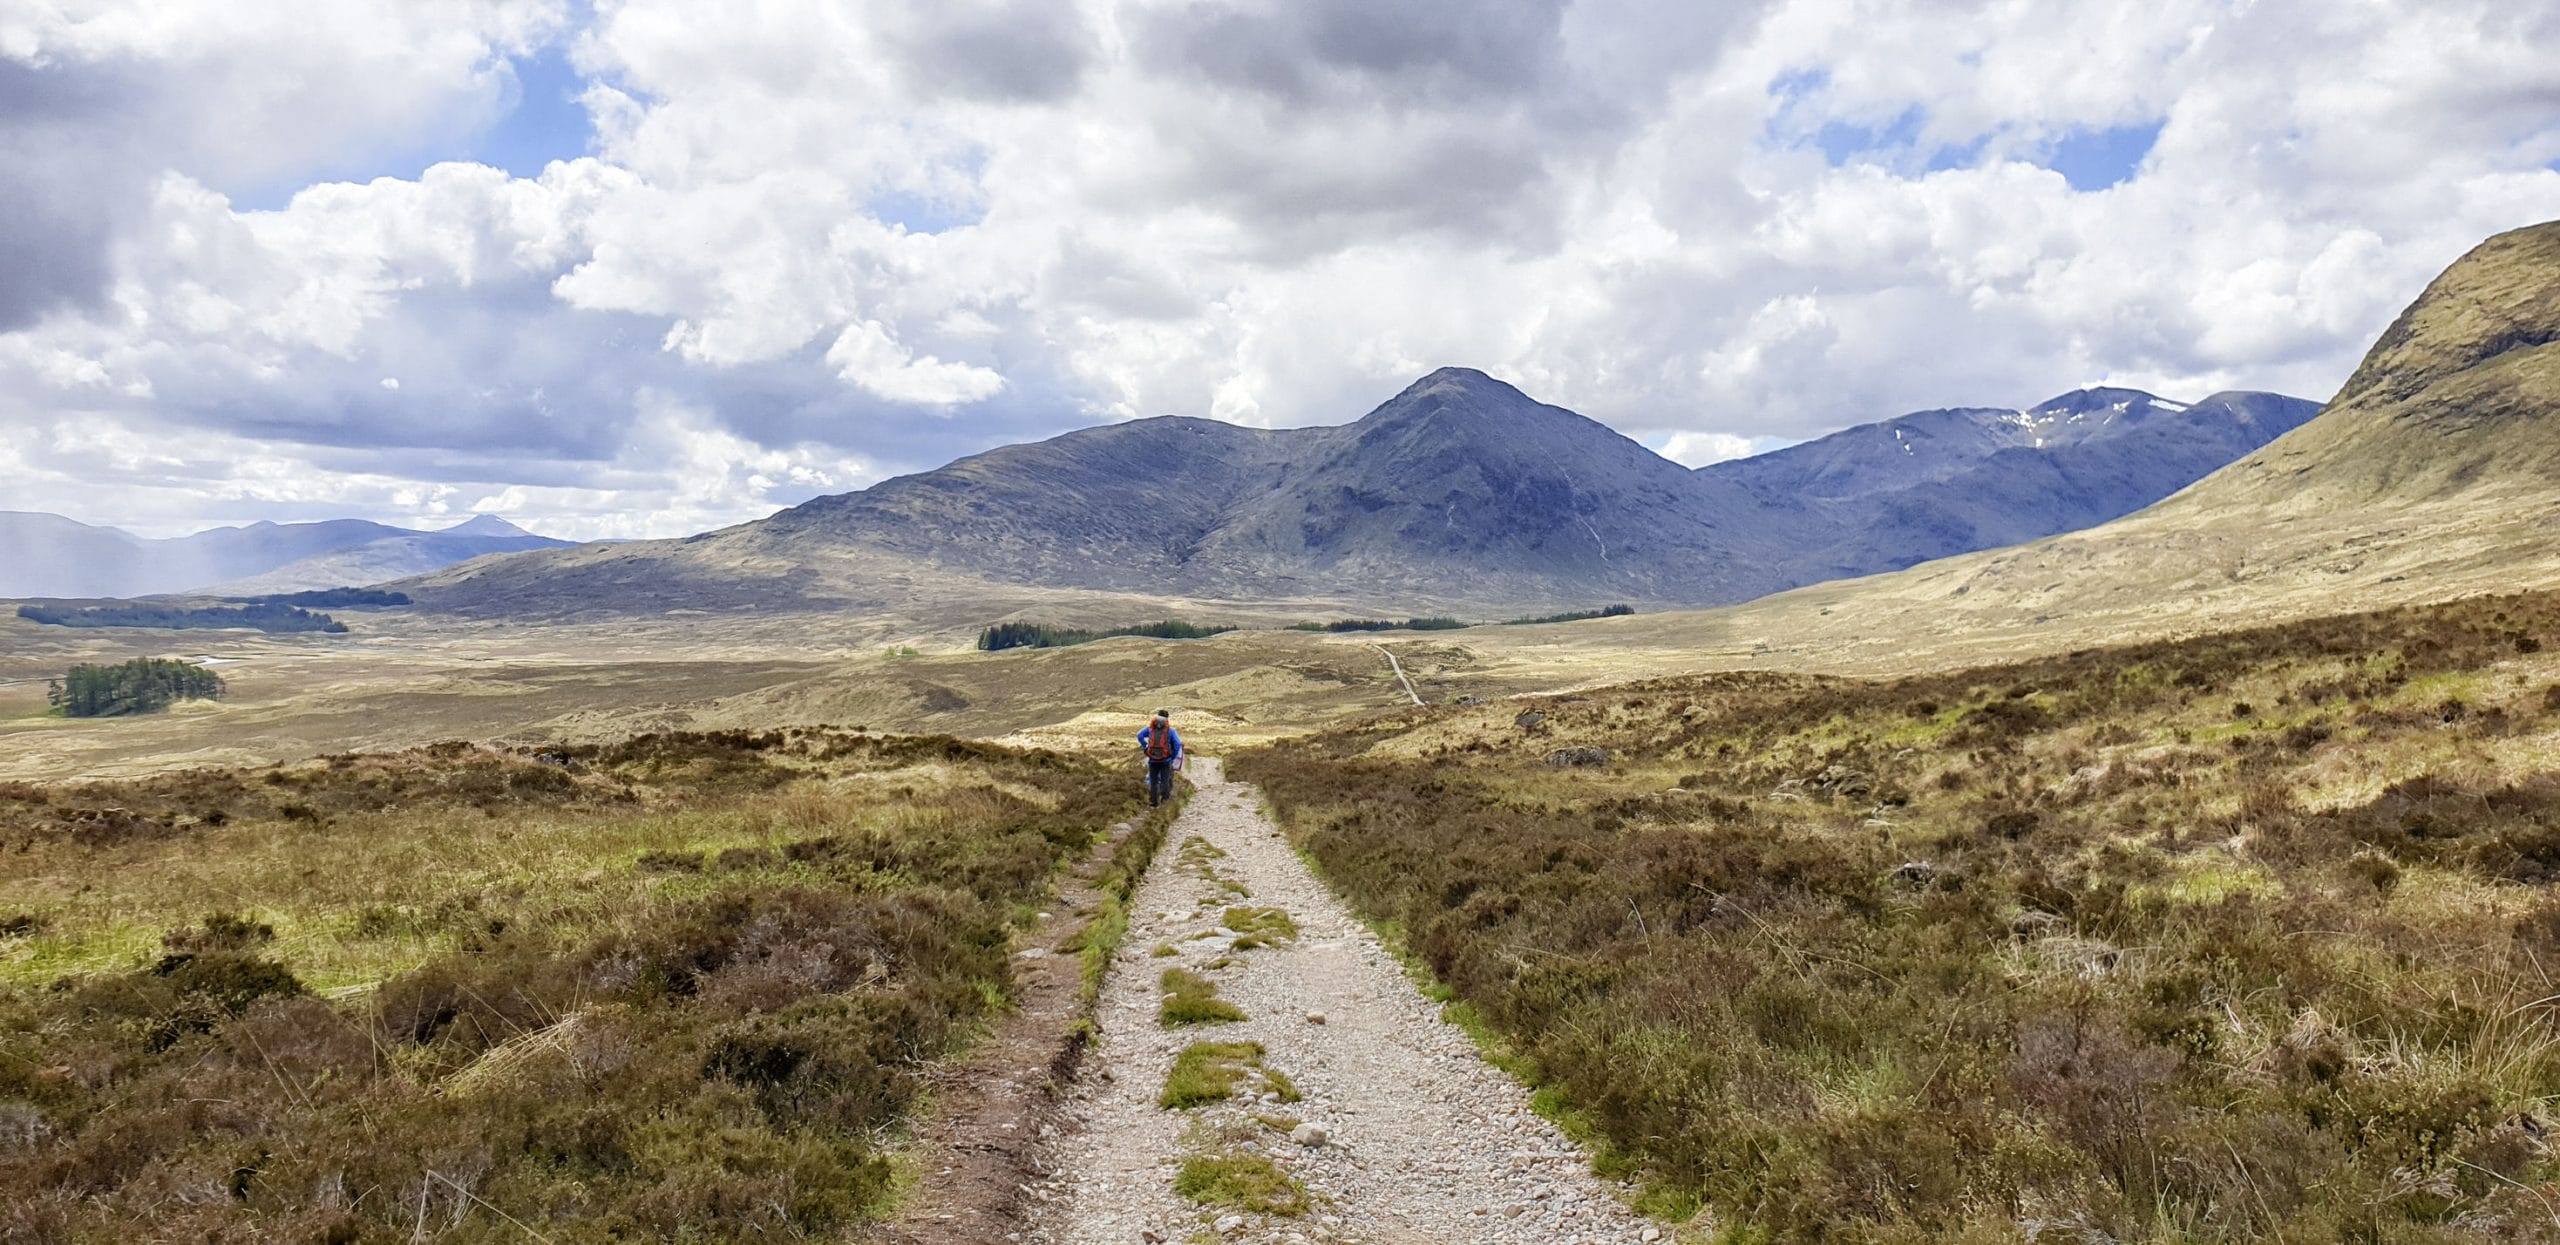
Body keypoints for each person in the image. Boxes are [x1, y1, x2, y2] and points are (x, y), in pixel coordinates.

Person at [1138, 710, 1183, 806]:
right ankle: (1165, 802)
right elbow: (1178, 743)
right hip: (1165, 760)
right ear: (1167, 719)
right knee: (1165, 780)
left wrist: (1145, 746)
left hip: (1152, 759)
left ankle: (1153, 802)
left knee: (1153, 781)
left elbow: (1139, 735)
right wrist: (1173, 756)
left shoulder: (1150, 729)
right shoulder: (1171, 730)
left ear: (1157, 717)